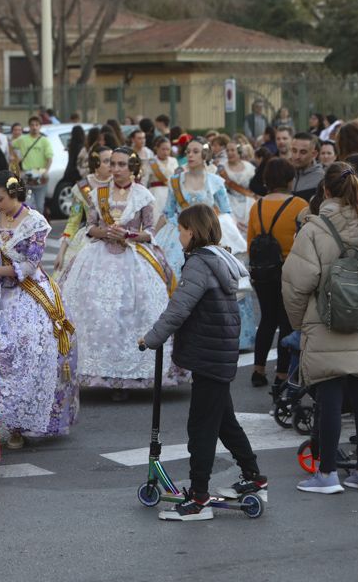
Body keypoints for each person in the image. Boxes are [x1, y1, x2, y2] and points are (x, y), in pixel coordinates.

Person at [141, 204, 266, 521]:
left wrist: (151, 338)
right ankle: (254, 477)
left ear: (192, 231)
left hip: (210, 355)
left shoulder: (198, 264)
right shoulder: (218, 257)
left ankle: (198, 499)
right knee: (223, 421)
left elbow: (178, 308)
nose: (179, 234)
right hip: (219, 352)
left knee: (201, 428)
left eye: (182, 229)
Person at [284, 162, 358, 494]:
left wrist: (301, 324)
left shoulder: (314, 229)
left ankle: (326, 474)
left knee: (329, 397)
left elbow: (296, 284)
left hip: (324, 321)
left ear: (325, 190)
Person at [0, 172, 78, 449]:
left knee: (29, 350)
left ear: (15, 194)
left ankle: (24, 421)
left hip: (27, 292)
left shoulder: (36, 222)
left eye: (0, 198)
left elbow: (29, 266)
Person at [58, 147, 178, 401]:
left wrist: (127, 235)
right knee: (95, 311)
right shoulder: (98, 194)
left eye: (121, 164)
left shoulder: (143, 195)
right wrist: (105, 233)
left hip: (133, 258)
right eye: (112, 164)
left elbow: (149, 232)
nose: (115, 169)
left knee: (131, 312)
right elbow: (90, 226)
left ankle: (126, 376)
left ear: (133, 168)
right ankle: (98, 372)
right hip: (99, 256)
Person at [247, 158, 308, 388]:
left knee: (267, 319)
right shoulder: (299, 205)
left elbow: (251, 240)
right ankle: (282, 373)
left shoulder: (257, 206)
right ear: (290, 179)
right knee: (287, 321)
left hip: (262, 271)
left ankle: (258, 369)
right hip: (289, 270)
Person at [154, 139, 240, 277]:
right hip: (178, 233)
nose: (190, 155)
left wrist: (233, 232)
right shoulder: (175, 180)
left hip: (205, 234)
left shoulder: (215, 181)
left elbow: (226, 211)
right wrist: (153, 237)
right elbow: (167, 212)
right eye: (188, 151)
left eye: (195, 151)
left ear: (205, 154)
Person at [54, 145, 112, 275]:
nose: (111, 165)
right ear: (95, 163)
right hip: (89, 240)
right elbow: (73, 222)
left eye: (112, 161)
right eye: (106, 161)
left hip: (116, 238)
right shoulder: (81, 188)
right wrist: (61, 252)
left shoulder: (119, 184)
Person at [12, 116, 54, 215]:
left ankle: (39, 227)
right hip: (26, 176)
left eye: (37, 125)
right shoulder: (22, 139)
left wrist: (46, 171)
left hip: (40, 176)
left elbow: (50, 158)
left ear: (40, 127)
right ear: (29, 126)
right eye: (32, 125)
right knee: (26, 205)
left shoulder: (45, 141)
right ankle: (27, 227)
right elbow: (10, 145)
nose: (34, 127)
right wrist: (15, 160)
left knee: (40, 205)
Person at [142, 136, 178, 215]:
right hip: (156, 194)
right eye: (163, 149)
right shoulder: (151, 162)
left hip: (171, 192)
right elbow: (144, 181)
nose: (165, 152)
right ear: (157, 148)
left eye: (168, 149)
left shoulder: (174, 161)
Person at [289, 133, 324, 202]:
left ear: (314, 154)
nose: (297, 156)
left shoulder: (321, 179)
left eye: (303, 152)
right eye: (294, 151)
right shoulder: (285, 174)